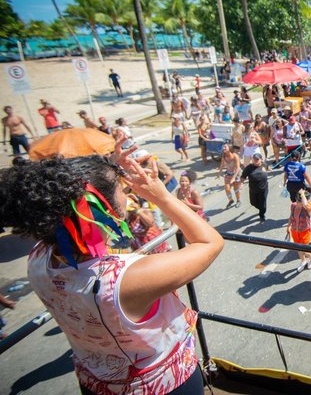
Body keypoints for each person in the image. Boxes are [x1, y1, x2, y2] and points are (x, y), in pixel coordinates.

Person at [0, 142, 223, 393]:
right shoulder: (125, 278)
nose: (128, 193)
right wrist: (160, 196)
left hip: (95, 383)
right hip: (163, 385)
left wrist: (104, 170)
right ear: (98, 210)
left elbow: (63, 200)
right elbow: (210, 242)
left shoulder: (39, 257)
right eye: (122, 189)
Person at [288, 189, 311, 272]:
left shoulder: (308, 208)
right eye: (297, 199)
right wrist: (288, 226)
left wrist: (302, 194)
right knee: (298, 248)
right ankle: (303, 262)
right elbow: (291, 216)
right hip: (295, 231)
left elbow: (306, 205)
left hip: (304, 232)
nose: (298, 202)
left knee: (305, 249)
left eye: (300, 200)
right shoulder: (293, 205)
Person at [241, 153, 269, 222]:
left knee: (262, 204)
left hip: (263, 189)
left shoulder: (264, 164)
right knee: (253, 203)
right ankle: (261, 208)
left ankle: (262, 215)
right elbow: (243, 177)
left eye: (257, 159)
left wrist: (270, 169)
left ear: (261, 160)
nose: (255, 161)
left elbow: (267, 168)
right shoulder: (248, 168)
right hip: (253, 189)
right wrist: (241, 183)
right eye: (254, 159)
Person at [218, 144, 242, 209]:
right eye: (223, 147)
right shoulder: (224, 156)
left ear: (230, 148)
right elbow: (222, 165)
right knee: (227, 189)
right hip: (228, 174)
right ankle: (231, 200)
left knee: (236, 189)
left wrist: (234, 178)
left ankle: (238, 200)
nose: (223, 148)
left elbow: (238, 168)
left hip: (235, 174)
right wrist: (219, 173)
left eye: (225, 146)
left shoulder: (235, 156)